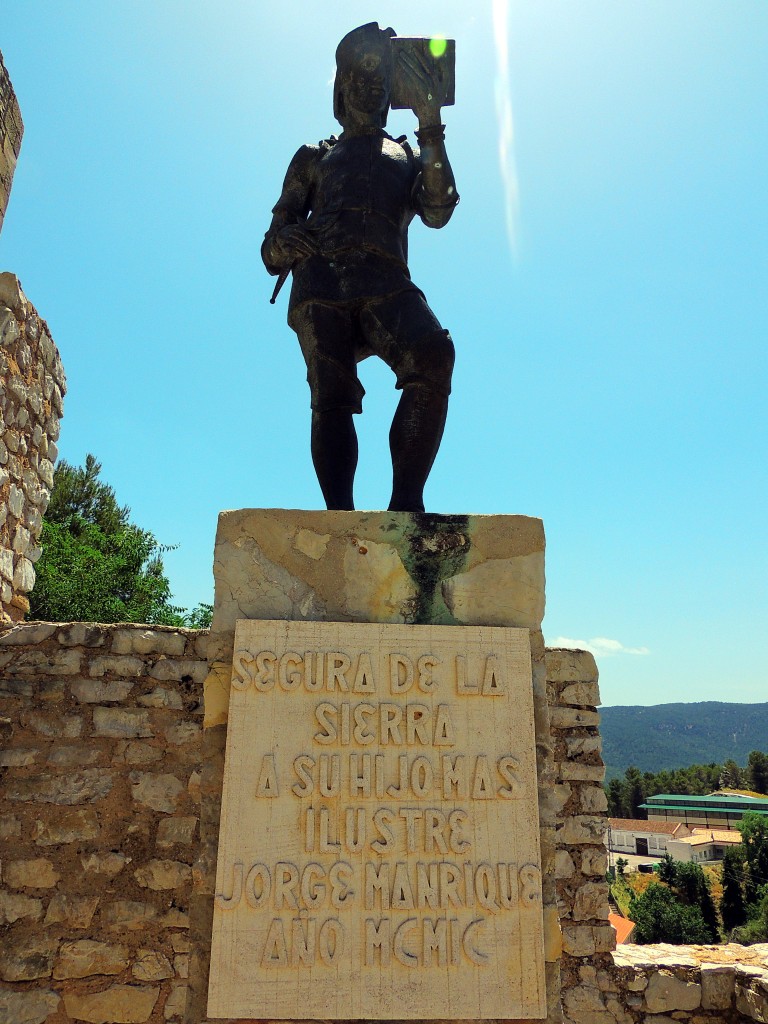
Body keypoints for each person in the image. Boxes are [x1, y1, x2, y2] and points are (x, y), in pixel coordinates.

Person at [262, 22, 459, 512]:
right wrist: (286, 239)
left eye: (382, 80)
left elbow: (437, 210)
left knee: (432, 354)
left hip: (387, 281)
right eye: (361, 77)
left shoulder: (410, 154)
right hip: (321, 282)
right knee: (331, 394)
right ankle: (339, 516)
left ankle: (405, 505)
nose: (372, 88)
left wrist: (430, 124)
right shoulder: (314, 157)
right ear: (342, 87)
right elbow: (270, 248)